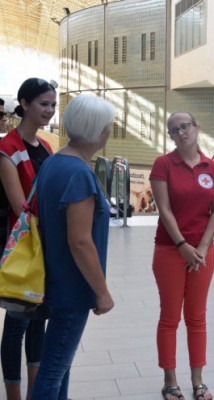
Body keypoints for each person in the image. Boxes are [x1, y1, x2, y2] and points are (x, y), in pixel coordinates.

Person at [30, 94, 115, 399]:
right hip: (71, 289)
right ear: (100, 132)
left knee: (59, 369)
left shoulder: (54, 161)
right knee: (53, 372)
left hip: (53, 280)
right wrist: (102, 292)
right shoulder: (78, 173)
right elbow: (79, 241)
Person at [150, 112, 214, 400]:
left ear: (196, 128)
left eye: (185, 126)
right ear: (170, 136)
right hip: (170, 250)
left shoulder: (213, 167)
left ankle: (198, 380)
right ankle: (170, 380)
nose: (181, 132)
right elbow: (164, 209)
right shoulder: (163, 164)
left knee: (197, 317)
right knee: (170, 318)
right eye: (174, 130)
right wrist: (182, 244)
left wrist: (203, 247)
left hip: (204, 253)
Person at [0, 78, 57, 400]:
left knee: (38, 321)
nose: (49, 110)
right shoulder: (7, 149)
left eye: (52, 105)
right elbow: (19, 207)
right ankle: (14, 395)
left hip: (44, 247)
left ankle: (36, 392)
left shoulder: (45, 147)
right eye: (43, 104)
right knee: (17, 323)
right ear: (24, 103)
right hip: (23, 249)